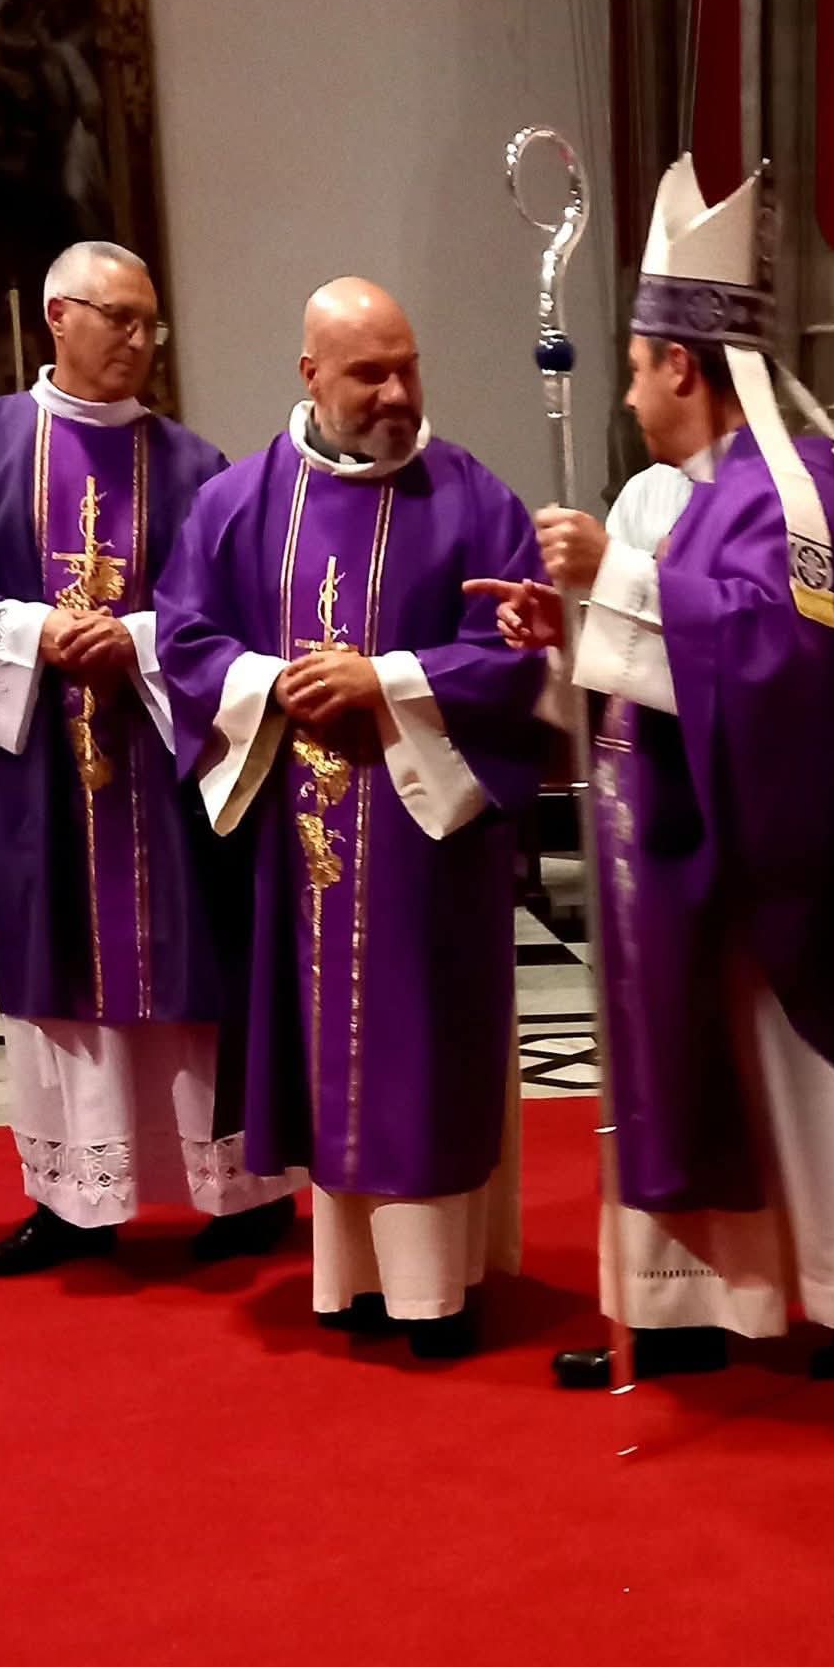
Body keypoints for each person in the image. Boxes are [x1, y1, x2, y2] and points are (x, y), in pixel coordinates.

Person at [470, 155, 834, 1389]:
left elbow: (788, 663)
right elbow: (671, 651)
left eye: (635, 369)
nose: (627, 396)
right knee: (687, 1073)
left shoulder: (798, 493)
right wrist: (567, 630)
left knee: (792, 1083)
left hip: (772, 862)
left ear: (682, 365)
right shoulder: (698, 492)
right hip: (677, 845)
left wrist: (613, 583)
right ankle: (684, 1310)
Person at [0, 240, 301, 1276]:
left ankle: (240, 1194)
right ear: (58, 316)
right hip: (32, 775)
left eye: (151, 322)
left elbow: (241, 610)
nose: (140, 340)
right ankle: (76, 1201)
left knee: (193, 971)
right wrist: (35, 633)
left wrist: (142, 640)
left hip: (163, 777)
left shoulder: (195, 467)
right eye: (120, 318)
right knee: (55, 975)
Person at [155, 278, 550, 1360]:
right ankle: (354, 1280)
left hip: (429, 855)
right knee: (327, 1053)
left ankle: (440, 1291)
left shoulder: (477, 501)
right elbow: (182, 641)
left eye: (406, 366)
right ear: (311, 375)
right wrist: (268, 685)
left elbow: (517, 658)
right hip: (304, 849)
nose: (396, 393)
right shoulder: (237, 505)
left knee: (426, 1055)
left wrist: (388, 680)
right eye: (369, 373)